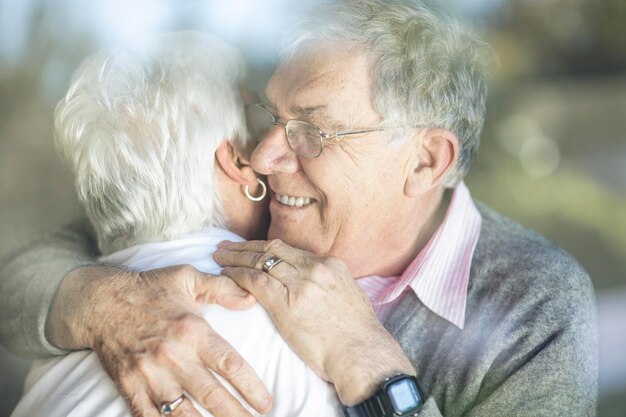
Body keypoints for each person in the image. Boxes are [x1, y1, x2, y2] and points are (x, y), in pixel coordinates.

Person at [1, 1, 598, 416]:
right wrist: (105, 304)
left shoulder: (533, 304)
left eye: (312, 130)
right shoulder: (247, 215)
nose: (262, 156)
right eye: (271, 117)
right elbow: (23, 278)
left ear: (424, 162)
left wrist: (369, 367)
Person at [10, 32, 340, 417]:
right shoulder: (276, 322)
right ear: (236, 162)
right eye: (259, 121)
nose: (271, 148)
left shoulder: (52, 349)